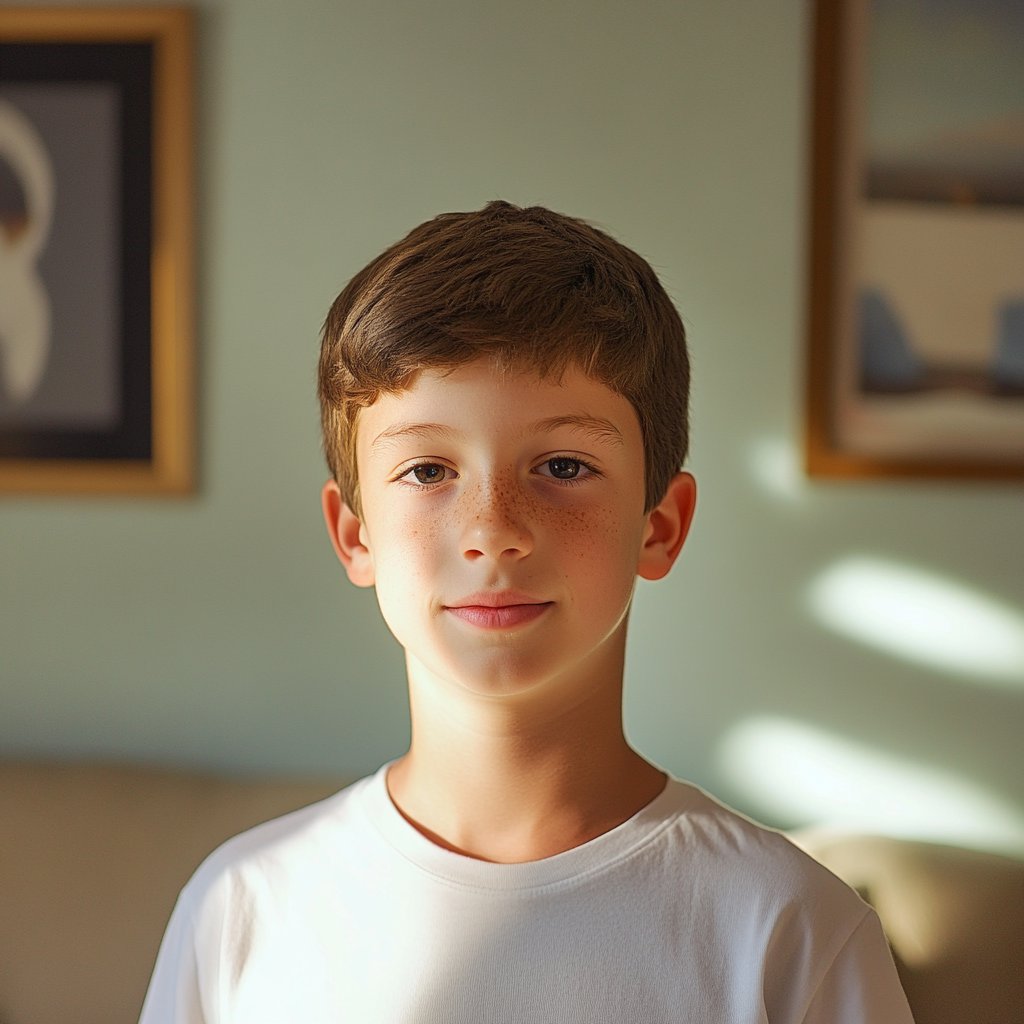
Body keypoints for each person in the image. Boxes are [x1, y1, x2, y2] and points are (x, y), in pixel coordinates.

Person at [140, 201, 914, 1022]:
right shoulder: (244, 910)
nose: (493, 531)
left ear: (660, 527)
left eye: (563, 465)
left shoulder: (786, 928)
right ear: (354, 534)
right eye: (429, 471)